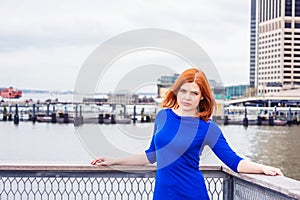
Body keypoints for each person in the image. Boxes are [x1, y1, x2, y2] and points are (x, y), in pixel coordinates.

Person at [91, 68, 283, 199]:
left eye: (194, 93)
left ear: (202, 97)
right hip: (162, 195)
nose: (187, 97)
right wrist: (113, 160)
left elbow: (233, 161)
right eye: (183, 91)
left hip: (192, 194)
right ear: (176, 92)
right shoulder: (163, 116)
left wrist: (262, 168)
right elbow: (152, 155)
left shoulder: (207, 128)